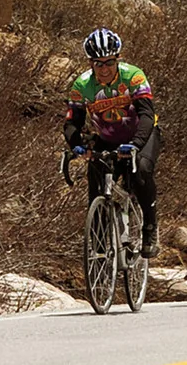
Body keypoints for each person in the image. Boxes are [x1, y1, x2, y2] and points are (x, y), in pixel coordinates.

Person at [63, 27, 161, 258]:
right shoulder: (81, 85)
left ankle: (150, 227)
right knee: (96, 188)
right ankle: (98, 253)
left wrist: (136, 143)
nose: (104, 69)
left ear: (117, 59)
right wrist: (76, 144)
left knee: (141, 172)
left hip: (142, 136)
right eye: (98, 64)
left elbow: (147, 114)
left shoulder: (133, 76)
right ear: (91, 63)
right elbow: (72, 122)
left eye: (109, 62)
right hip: (106, 140)